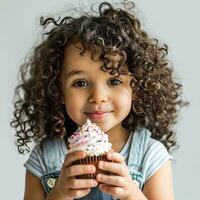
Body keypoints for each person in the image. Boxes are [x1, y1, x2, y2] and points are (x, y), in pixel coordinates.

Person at [11, 1, 187, 200]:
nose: (98, 97)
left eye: (114, 80)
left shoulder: (150, 156)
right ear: (59, 90)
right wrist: (59, 193)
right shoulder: (44, 158)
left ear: (136, 89)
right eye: (80, 83)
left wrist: (130, 193)